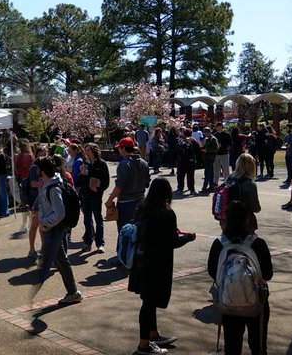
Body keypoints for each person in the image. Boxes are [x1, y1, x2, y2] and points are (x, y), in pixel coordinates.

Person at [128, 178, 197, 355]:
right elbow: (172, 242)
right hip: (157, 264)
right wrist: (189, 237)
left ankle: (153, 334)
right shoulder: (166, 213)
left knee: (148, 301)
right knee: (149, 303)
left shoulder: (143, 209)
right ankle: (144, 345)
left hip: (141, 260)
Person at [207, 201, 274, 355]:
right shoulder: (258, 243)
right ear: (247, 219)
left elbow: (212, 271)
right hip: (257, 302)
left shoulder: (219, 244)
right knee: (258, 346)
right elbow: (268, 274)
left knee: (232, 346)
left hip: (228, 301)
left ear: (227, 219)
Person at [28, 156, 83, 305]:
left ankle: (73, 292)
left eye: (38, 168)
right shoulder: (47, 183)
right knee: (59, 260)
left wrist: (44, 222)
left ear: (43, 171)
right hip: (51, 228)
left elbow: (60, 213)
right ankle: (73, 292)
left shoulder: (53, 188)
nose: (36, 171)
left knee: (60, 260)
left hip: (54, 228)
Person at [105, 138, 151, 248]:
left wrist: (110, 199)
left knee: (124, 230)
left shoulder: (124, 164)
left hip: (126, 202)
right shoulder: (144, 163)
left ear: (123, 148)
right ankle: (135, 252)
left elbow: (119, 186)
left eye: (120, 148)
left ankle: (123, 254)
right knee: (138, 228)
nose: (119, 151)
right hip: (140, 200)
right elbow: (147, 183)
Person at [78, 143, 109, 253]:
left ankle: (100, 243)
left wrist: (98, 189)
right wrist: (81, 173)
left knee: (98, 219)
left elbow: (106, 182)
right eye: (86, 151)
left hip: (96, 196)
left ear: (94, 151)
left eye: (89, 151)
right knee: (87, 219)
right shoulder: (85, 163)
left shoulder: (101, 164)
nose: (87, 153)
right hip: (85, 195)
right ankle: (88, 242)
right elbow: (81, 181)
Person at [175, 129, 200, 196]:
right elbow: (198, 149)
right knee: (190, 176)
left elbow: (176, 150)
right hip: (191, 161)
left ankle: (180, 189)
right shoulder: (192, 140)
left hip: (181, 160)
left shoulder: (180, 140)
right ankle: (191, 189)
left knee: (180, 175)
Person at [201, 127, 219, 193]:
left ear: (209, 132)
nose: (205, 134)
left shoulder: (213, 139)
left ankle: (204, 187)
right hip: (206, 157)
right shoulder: (206, 139)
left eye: (206, 132)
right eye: (204, 132)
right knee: (210, 173)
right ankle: (211, 187)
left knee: (207, 173)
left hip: (210, 158)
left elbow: (216, 149)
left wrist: (207, 150)